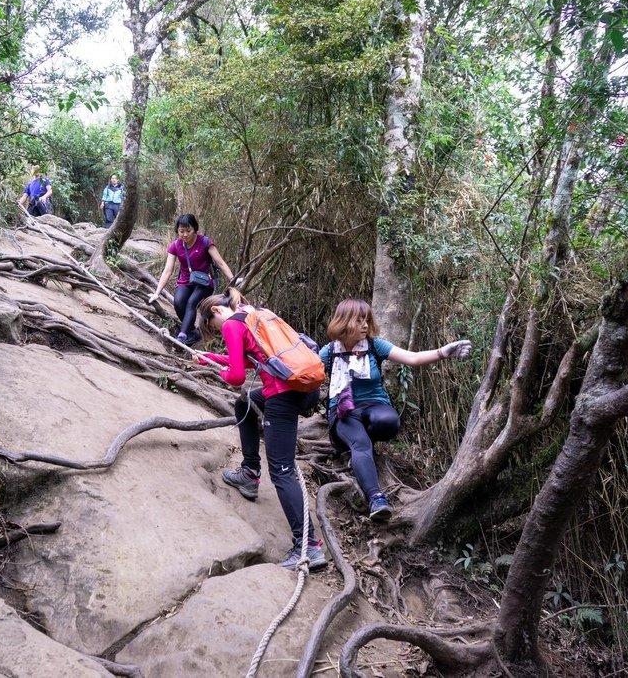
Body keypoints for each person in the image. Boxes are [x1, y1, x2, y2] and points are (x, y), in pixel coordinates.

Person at [193, 288, 328, 572]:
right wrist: (209, 358)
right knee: (245, 403)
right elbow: (245, 360)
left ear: (215, 312)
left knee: (281, 469)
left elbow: (237, 376)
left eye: (213, 329)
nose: (218, 334)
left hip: (282, 393)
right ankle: (249, 474)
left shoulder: (231, 323)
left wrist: (219, 372)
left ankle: (308, 547)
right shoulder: (257, 314)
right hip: (304, 387)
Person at [320, 299, 471, 522]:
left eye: (367, 320)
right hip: (344, 411)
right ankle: (375, 498)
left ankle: (360, 444)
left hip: (374, 405)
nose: (365, 325)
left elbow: (412, 358)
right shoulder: (329, 352)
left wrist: (444, 352)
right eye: (359, 320)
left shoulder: (373, 346)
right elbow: (306, 372)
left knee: (389, 422)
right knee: (360, 444)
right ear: (344, 322)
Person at [149, 214, 234, 346]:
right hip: (185, 281)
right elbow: (167, 271)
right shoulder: (175, 246)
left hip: (204, 282)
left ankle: (182, 336)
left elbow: (220, 263)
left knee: (191, 302)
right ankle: (193, 332)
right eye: (181, 231)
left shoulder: (205, 242)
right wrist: (157, 293)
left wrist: (233, 279)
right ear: (177, 231)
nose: (185, 234)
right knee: (178, 302)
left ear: (195, 229)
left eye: (188, 231)